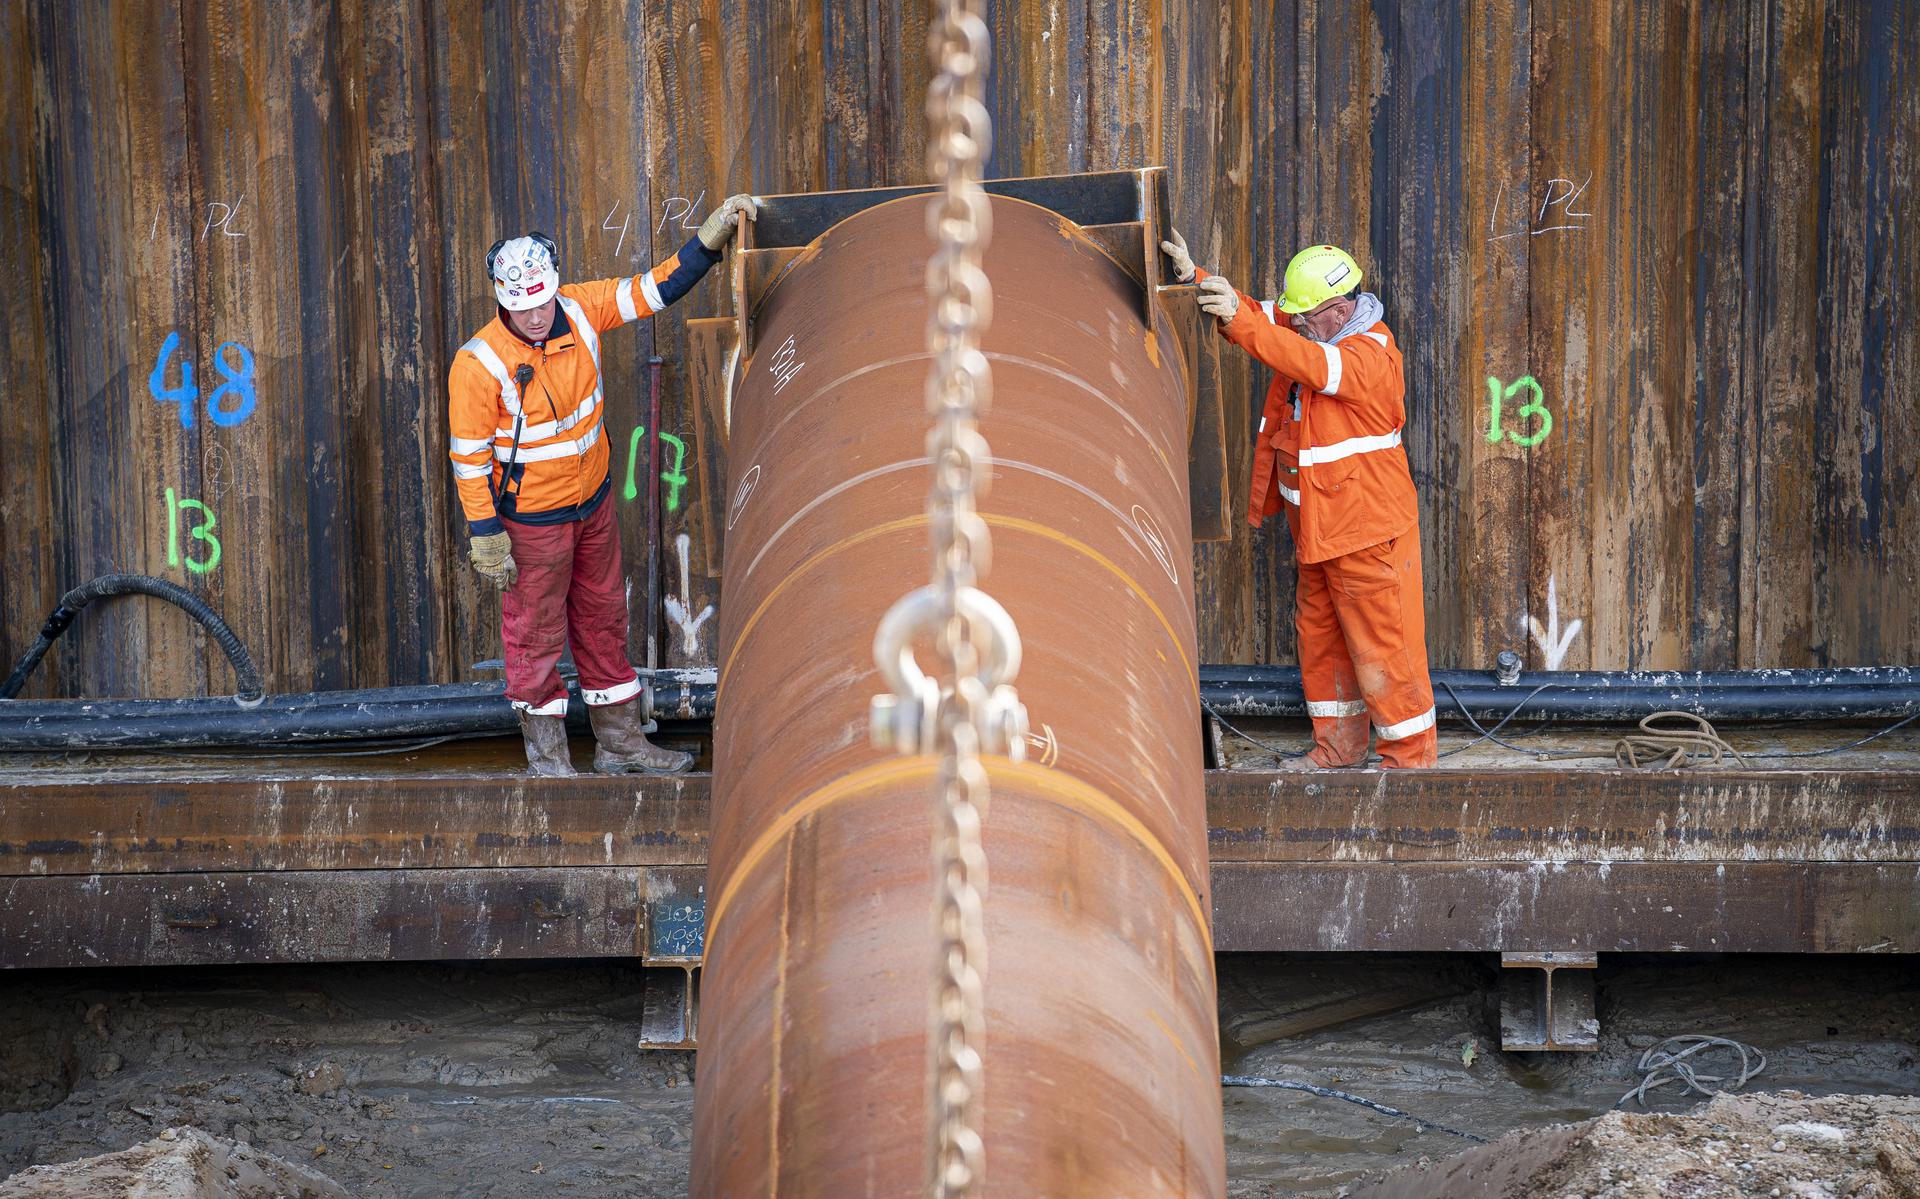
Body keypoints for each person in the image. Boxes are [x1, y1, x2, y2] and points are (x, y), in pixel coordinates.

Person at [448, 194, 758, 777]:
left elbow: (654, 289)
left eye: (541, 303)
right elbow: (469, 459)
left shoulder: (582, 308)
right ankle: (550, 763)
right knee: (535, 632)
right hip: (531, 522)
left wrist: (709, 243)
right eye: (522, 308)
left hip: (592, 508)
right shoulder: (478, 363)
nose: (535, 317)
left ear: (553, 289)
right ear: (501, 300)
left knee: (603, 617)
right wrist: (486, 533)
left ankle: (620, 744)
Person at [1161, 231, 1436, 769]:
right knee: (1322, 640)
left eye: (1305, 316)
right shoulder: (1314, 324)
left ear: (1337, 309)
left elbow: (1305, 362)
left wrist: (1244, 326)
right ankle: (1336, 750)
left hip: (1366, 536)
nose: (1297, 321)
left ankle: (1411, 767)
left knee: (1387, 652)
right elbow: (1261, 317)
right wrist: (1195, 278)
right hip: (1320, 531)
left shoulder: (1368, 356)